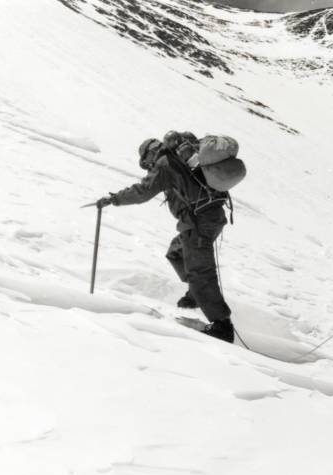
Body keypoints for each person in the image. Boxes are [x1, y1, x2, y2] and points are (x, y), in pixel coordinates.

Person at [94, 134, 234, 343]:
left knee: (200, 272)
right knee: (176, 252)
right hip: (209, 218)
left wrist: (114, 199)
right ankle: (196, 296)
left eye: (146, 162)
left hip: (198, 223)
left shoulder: (165, 164)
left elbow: (143, 191)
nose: (148, 166)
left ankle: (222, 326)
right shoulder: (181, 157)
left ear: (149, 155)